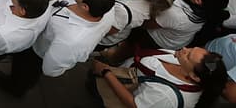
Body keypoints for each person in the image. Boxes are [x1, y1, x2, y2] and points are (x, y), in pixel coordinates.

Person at [91, 46, 228, 108]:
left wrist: (106, 73)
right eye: (191, 48)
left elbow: (134, 104)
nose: (185, 49)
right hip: (125, 72)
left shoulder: (166, 96)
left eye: (188, 55)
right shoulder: (183, 63)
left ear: (194, 76)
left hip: (116, 87)